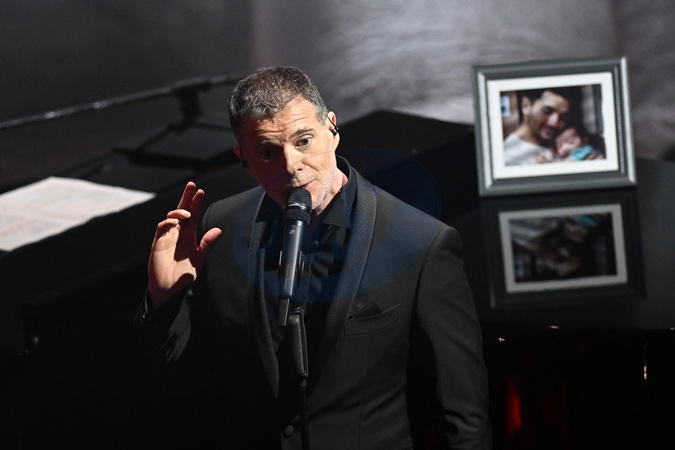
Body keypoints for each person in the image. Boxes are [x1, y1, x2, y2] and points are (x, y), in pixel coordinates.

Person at [136, 66, 491, 449]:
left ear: (332, 129)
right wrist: (165, 300)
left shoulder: (419, 242)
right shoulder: (221, 227)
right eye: (268, 152)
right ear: (244, 158)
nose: (291, 165)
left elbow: (462, 414)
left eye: (303, 141)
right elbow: (186, 382)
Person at [503, 87, 577, 166]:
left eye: (562, 117)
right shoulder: (509, 156)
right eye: (547, 112)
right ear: (526, 106)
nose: (554, 123)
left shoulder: (559, 146)